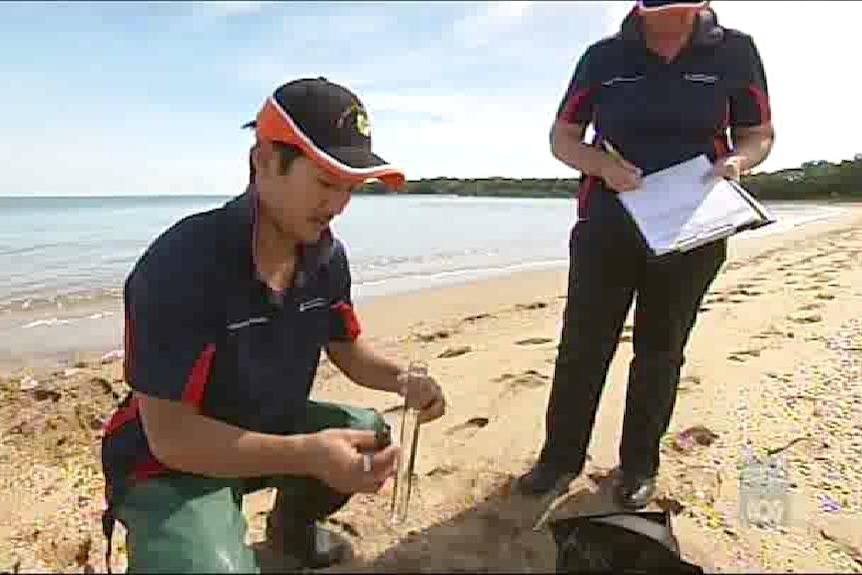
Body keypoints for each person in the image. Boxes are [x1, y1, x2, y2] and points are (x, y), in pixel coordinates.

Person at [99, 77, 447, 573]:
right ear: (263, 161)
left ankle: (291, 531)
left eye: (350, 188)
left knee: (367, 432)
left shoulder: (325, 256)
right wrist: (308, 454)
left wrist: (402, 381)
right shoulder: (181, 264)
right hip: (170, 459)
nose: (339, 205)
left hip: (266, 425)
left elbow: (347, 349)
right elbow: (172, 438)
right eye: (326, 182)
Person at [517, 0, 774, 510]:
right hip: (608, 220)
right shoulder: (603, 57)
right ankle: (559, 458)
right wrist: (602, 167)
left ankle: (638, 465)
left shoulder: (736, 51)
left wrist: (738, 161)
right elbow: (563, 138)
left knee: (661, 351)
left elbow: (758, 133)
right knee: (583, 347)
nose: (675, 19)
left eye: (685, 8)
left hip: (693, 224)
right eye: (663, 9)